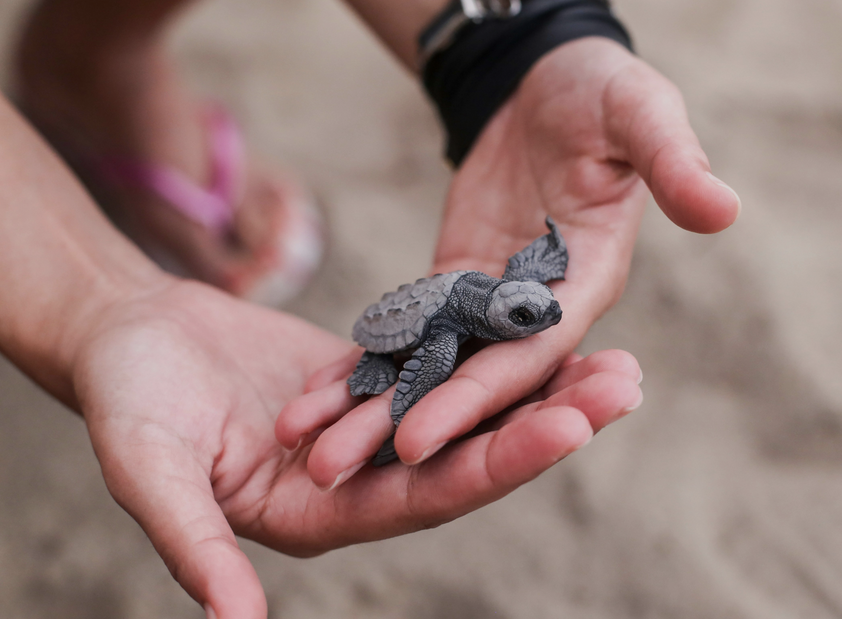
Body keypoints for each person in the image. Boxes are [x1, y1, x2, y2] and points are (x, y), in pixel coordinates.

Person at [0, 0, 739, 617]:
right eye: (524, 317)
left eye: (531, 307)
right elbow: (423, 366)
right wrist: (89, 301)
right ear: (492, 317)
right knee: (389, 386)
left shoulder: (518, 284)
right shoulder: (450, 334)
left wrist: (514, 44)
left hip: (440, 299)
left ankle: (87, 60)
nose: (537, 316)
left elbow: (532, 280)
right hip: (397, 327)